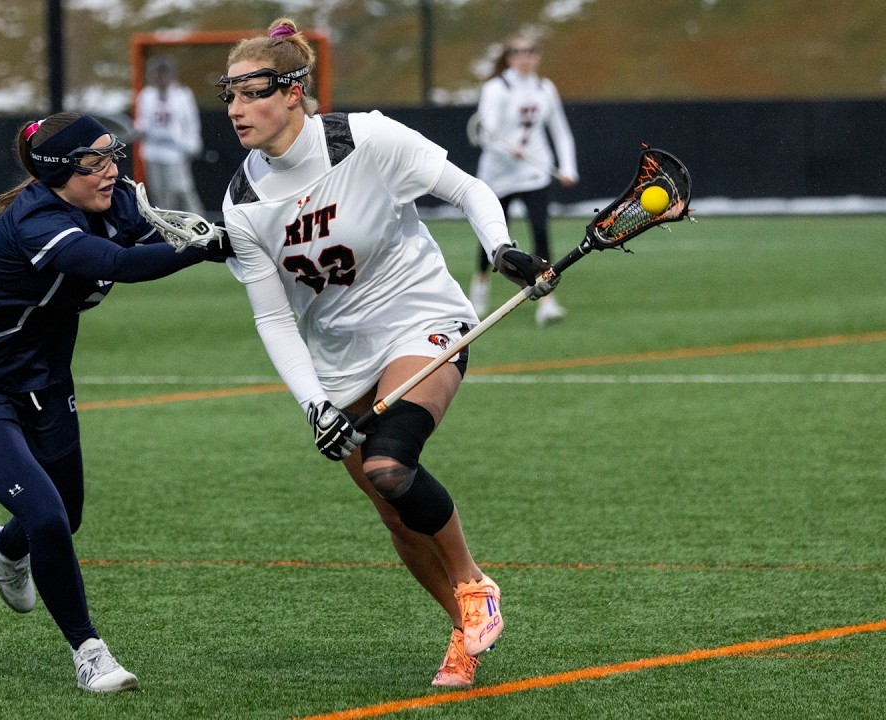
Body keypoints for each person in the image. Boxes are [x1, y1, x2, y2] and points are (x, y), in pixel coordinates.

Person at [216, 19, 557, 688]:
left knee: (390, 464)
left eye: (250, 93)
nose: (234, 109)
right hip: (337, 359)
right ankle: (462, 633)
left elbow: (467, 188)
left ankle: (473, 582)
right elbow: (272, 316)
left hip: (420, 318)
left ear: (293, 92)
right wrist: (314, 404)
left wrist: (500, 248)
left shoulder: (365, 138)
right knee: (392, 511)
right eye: (228, 94)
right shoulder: (244, 202)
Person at [0, 112, 230, 693]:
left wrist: (235, 230)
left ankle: (2, 547)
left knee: (66, 515)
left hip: (44, 381)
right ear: (60, 171)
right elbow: (117, 265)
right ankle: (90, 652)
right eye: (96, 164)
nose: (112, 172)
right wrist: (207, 246)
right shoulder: (37, 220)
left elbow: (147, 237)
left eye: (114, 157)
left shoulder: (115, 199)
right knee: (47, 515)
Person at [469, 34, 577, 326]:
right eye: (518, 52)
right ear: (508, 57)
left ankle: (547, 302)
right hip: (498, 175)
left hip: (534, 173)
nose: (525, 57)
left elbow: (560, 130)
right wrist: (507, 150)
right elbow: (486, 133)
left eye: (531, 51)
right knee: (493, 238)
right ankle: (479, 287)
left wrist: (568, 166)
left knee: (541, 232)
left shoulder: (544, 88)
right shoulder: (496, 89)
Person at [133, 55, 206, 214]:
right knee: (160, 195)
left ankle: (199, 223)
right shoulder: (146, 96)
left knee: (182, 190)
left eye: (164, 74)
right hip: (153, 152)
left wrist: (192, 144)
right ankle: (169, 229)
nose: (161, 79)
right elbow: (141, 123)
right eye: (158, 74)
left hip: (176, 152)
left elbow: (191, 122)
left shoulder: (182, 95)